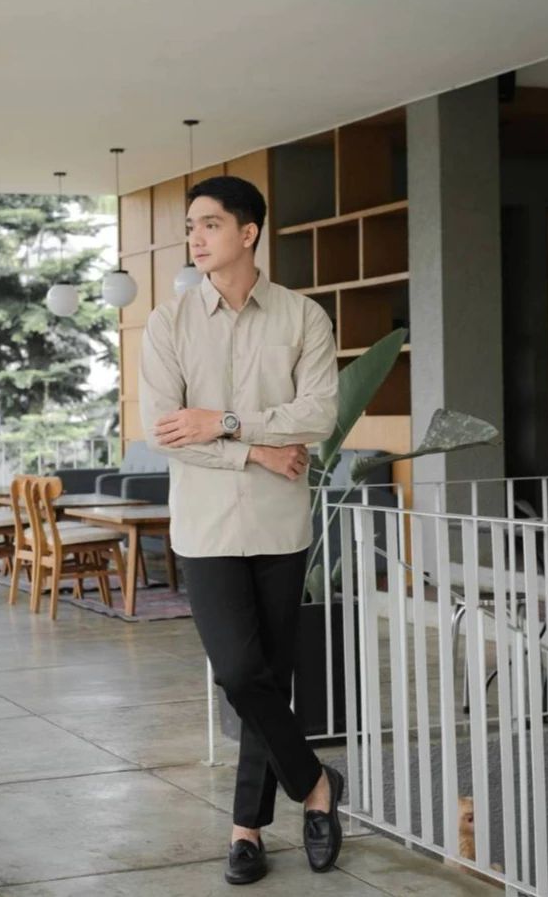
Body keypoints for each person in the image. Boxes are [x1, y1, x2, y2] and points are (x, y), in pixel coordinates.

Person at [139, 175, 343, 885]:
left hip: (280, 527)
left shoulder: (302, 317)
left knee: (270, 678)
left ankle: (246, 830)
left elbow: (318, 414)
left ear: (248, 232)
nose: (195, 238)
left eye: (209, 224)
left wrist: (222, 421)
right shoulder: (168, 322)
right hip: (205, 529)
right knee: (237, 673)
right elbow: (165, 430)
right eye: (190, 227)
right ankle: (315, 784)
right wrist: (253, 449)